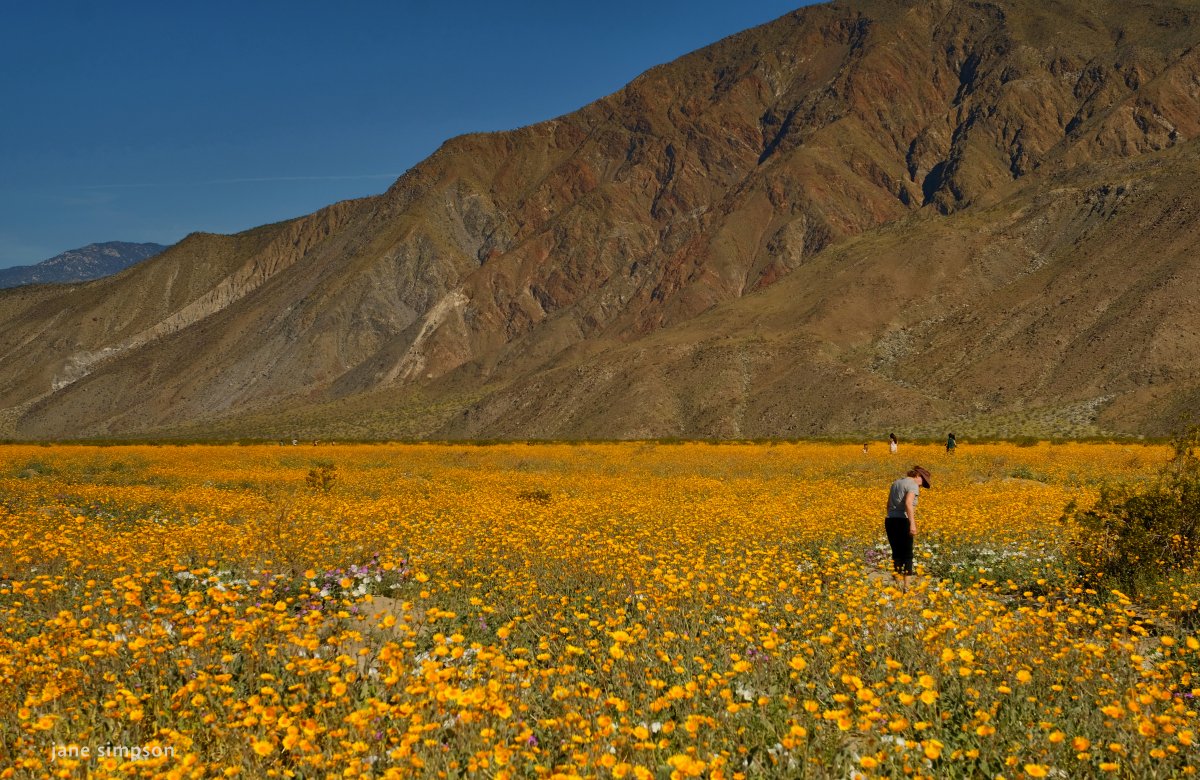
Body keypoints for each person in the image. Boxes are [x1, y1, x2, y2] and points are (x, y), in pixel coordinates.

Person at [885, 465, 931, 590]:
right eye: (923, 480)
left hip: (890, 520)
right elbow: (908, 503)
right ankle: (906, 587)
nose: (921, 485)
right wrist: (912, 523)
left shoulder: (896, 482)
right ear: (917, 476)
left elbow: (888, 504)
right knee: (907, 554)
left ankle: (897, 584)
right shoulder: (912, 485)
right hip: (903, 521)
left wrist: (892, 515)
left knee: (896, 553)